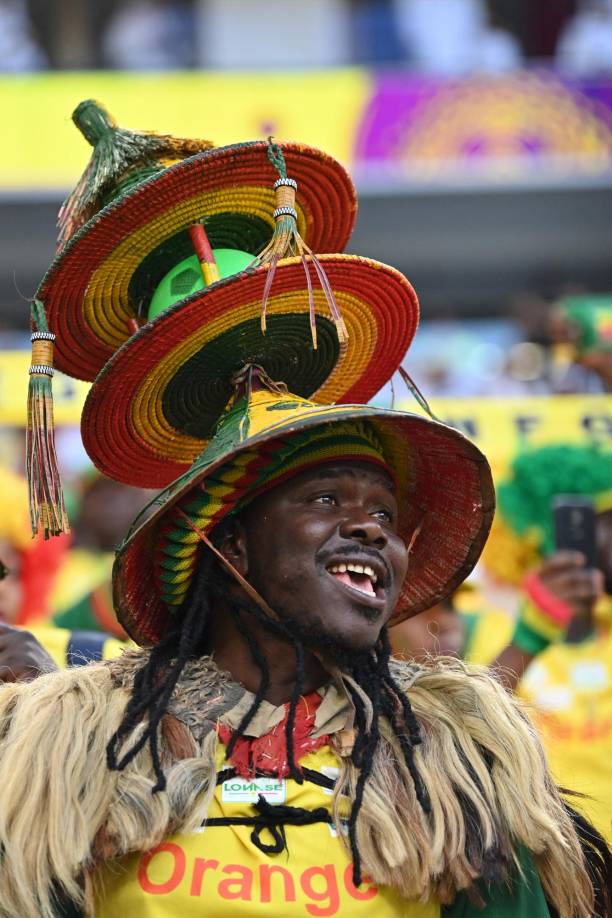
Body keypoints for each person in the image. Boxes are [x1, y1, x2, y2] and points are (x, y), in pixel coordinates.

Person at [2, 105, 609, 918]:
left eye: (386, 515)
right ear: (233, 547)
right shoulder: (74, 745)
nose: (372, 529)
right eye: (327, 500)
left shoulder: (458, 758)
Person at [482, 443, 612, 842]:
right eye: (605, 520)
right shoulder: (484, 627)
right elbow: (464, 735)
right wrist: (529, 637)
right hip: (548, 867)